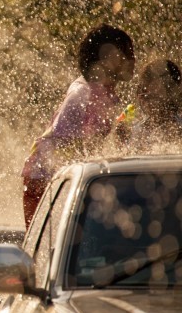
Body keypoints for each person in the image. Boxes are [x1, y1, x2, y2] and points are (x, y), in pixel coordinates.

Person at [22, 24, 135, 227]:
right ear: (108, 58)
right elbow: (64, 145)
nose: (132, 60)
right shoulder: (83, 93)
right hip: (44, 181)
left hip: (60, 180)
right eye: (126, 53)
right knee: (51, 250)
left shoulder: (104, 92)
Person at [116, 58, 182, 148]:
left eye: (152, 94)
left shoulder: (178, 129)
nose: (145, 95)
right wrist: (122, 141)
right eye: (143, 89)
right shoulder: (138, 131)